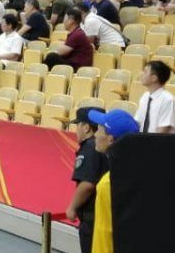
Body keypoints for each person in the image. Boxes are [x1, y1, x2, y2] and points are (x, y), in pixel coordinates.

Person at [89, 110, 140, 253]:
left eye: (99, 130)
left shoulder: (108, 183)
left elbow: (104, 234)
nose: (95, 134)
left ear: (110, 139)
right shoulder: (142, 175)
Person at [66, 108, 107, 253]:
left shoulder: (89, 147)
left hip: (92, 218)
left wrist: (72, 208)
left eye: (78, 125)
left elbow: (87, 184)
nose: (76, 130)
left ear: (86, 127)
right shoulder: (103, 146)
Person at [132, 60, 175, 133]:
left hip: (158, 139)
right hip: (142, 138)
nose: (141, 74)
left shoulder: (168, 100)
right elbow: (137, 122)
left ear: (154, 78)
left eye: (145, 72)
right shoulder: (145, 96)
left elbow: (162, 131)